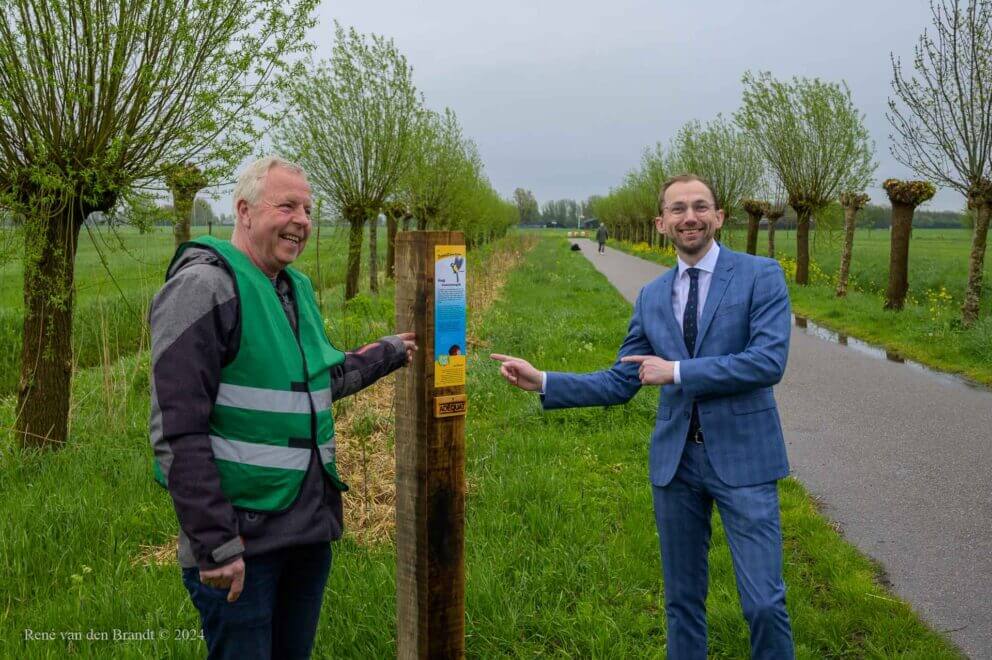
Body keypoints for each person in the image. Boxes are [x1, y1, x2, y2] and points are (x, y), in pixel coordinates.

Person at [491, 174, 795, 659]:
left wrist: (675, 371)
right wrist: (545, 380)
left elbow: (767, 362)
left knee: (763, 602)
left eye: (700, 207)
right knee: (682, 602)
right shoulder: (653, 297)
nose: (689, 217)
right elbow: (622, 380)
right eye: (677, 209)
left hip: (746, 459)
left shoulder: (761, 275)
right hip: (677, 466)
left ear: (718, 217)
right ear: (661, 223)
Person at [149, 156, 417, 659]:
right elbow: (177, 431)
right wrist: (215, 543)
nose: (302, 221)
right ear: (245, 211)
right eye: (287, 206)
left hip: (306, 532)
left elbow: (314, 382)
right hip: (241, 543)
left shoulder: (293, 289)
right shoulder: (203, 288)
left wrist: (389, 352)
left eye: (309, 210)